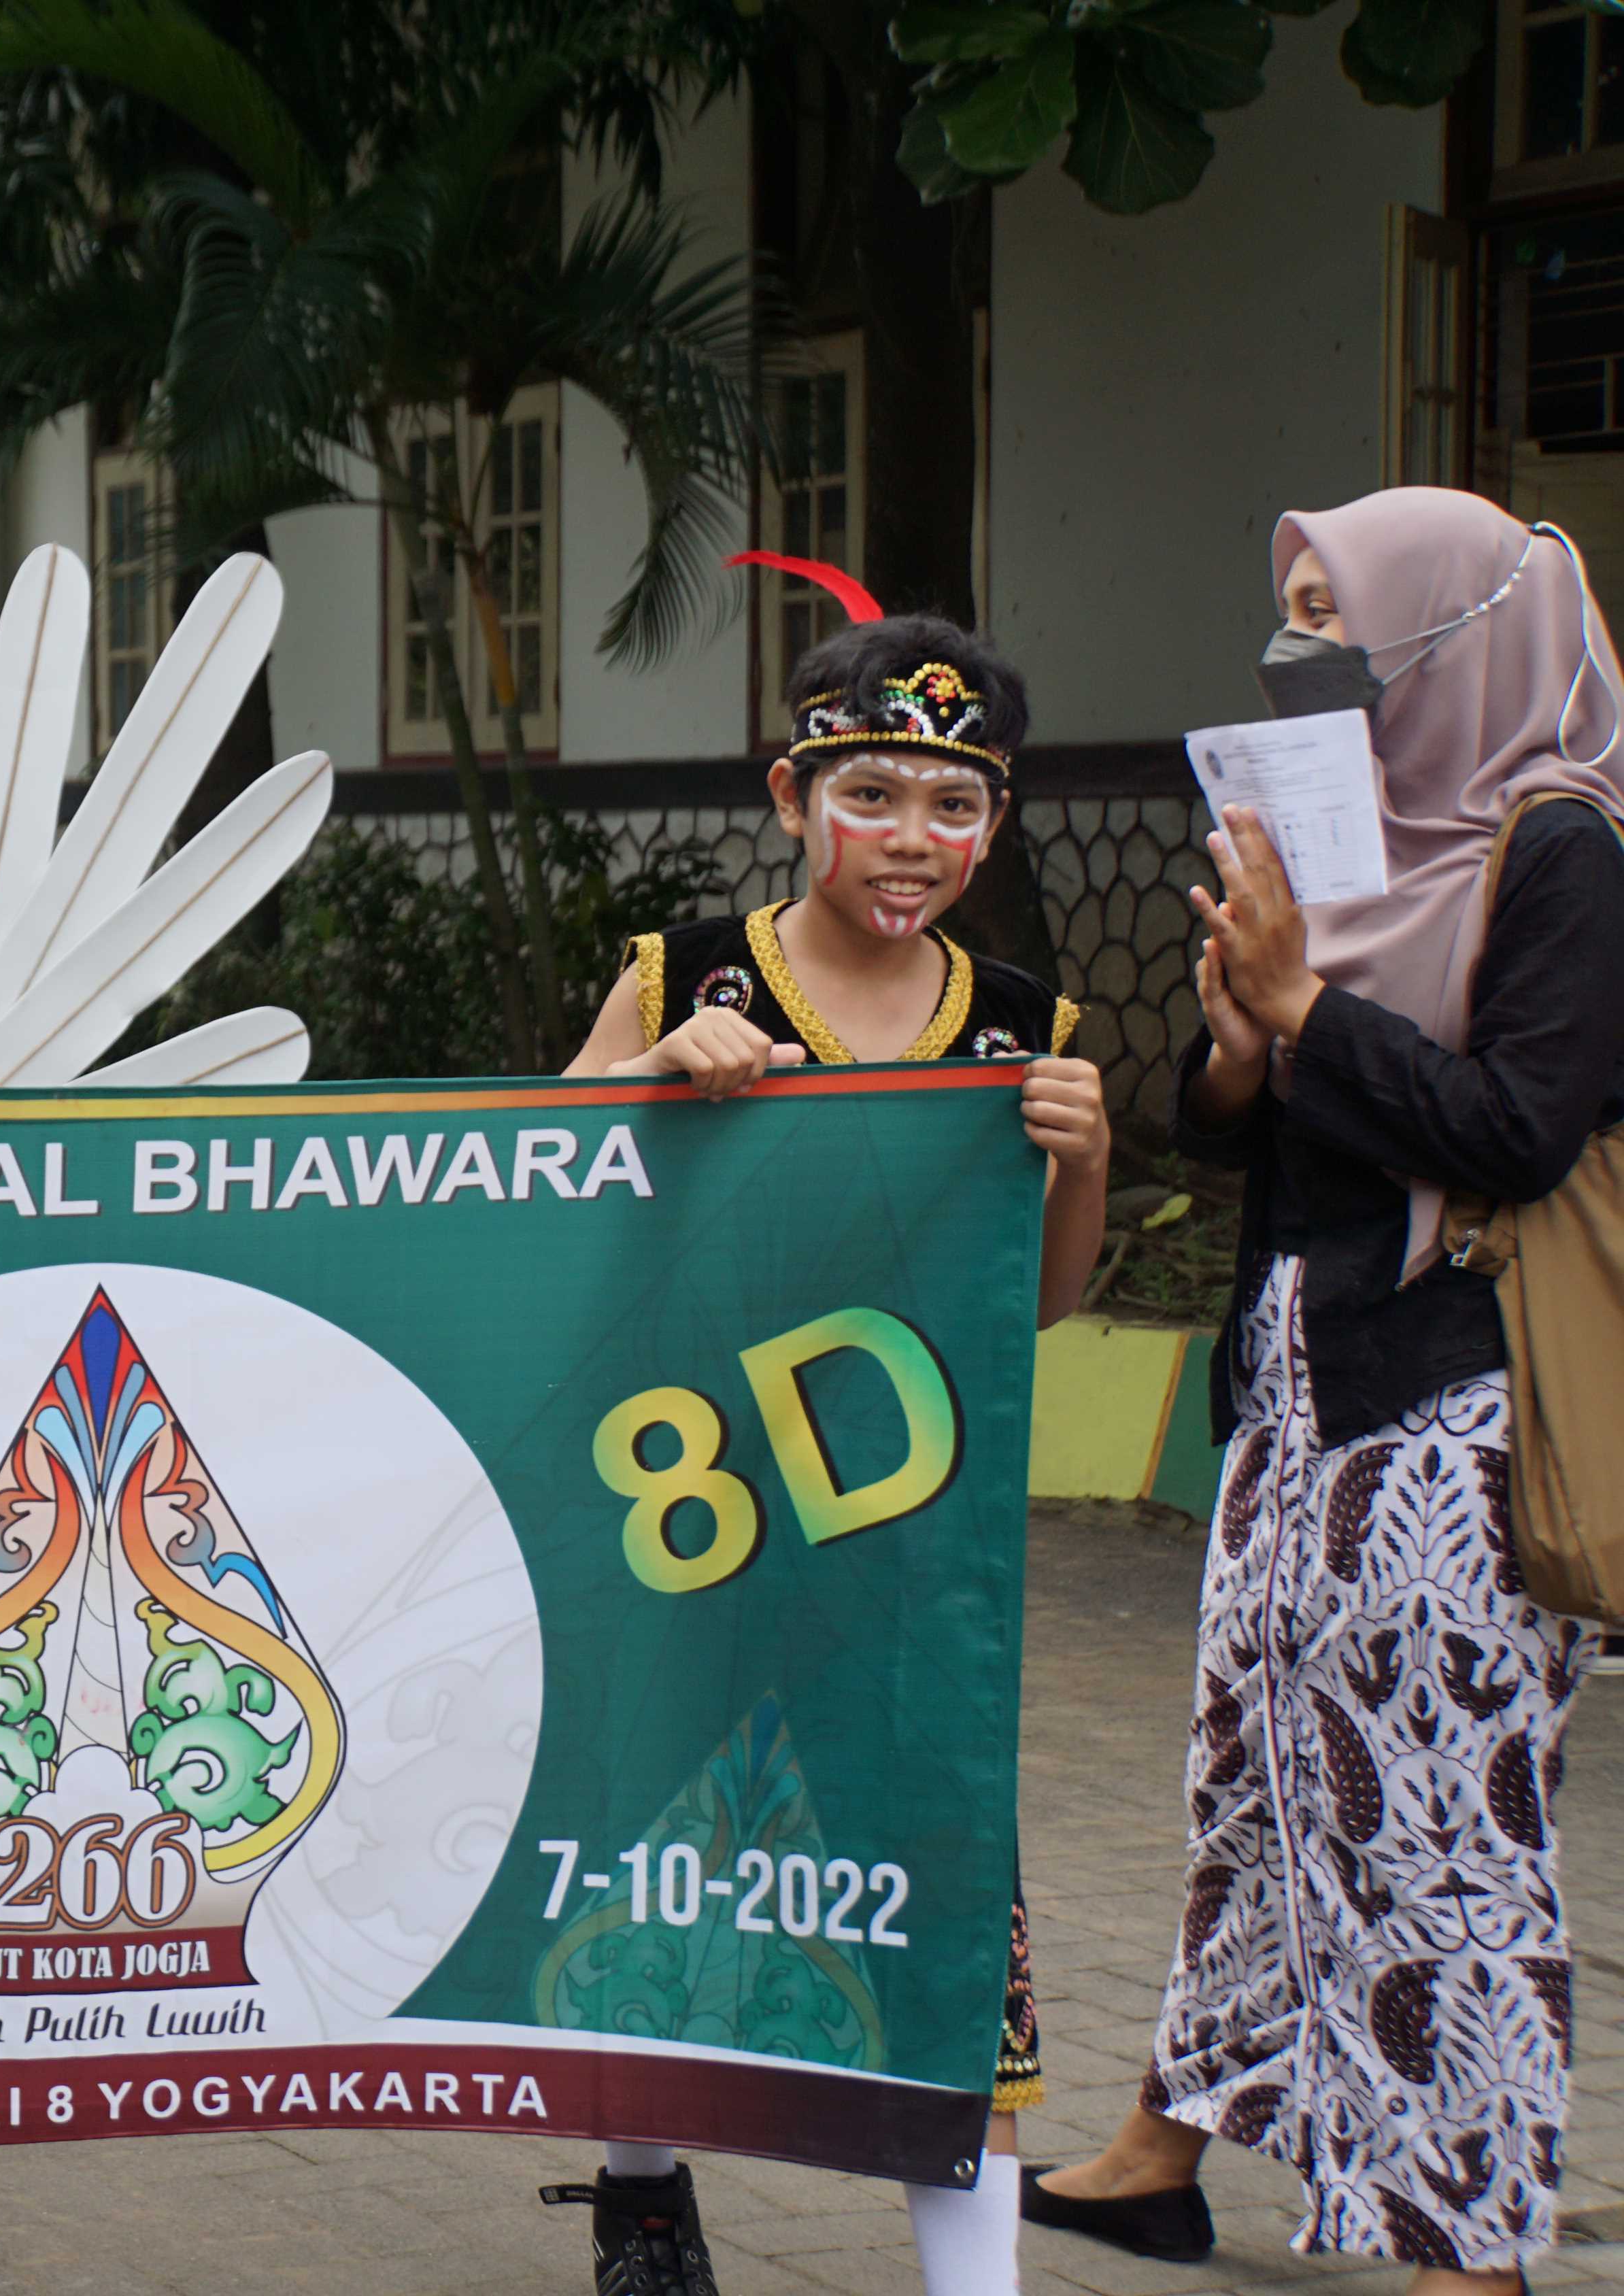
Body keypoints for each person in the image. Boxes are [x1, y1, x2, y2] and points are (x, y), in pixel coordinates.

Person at [1025, 490, 1624, 2296]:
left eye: (1343, 622)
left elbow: (1523, 1133)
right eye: (1295, 620)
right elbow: (1265, 1149)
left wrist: (1311, 1011)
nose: (1315, 658)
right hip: (1296, 1401)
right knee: (1257, 1783)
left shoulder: (1565, 855)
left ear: (1467, 633)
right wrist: (1237, 1045)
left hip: (1457, 1405)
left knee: (1434, 1823)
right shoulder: (1353, 845)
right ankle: (1166, 2148)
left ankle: (1467, 2247)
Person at [558, 609, 1114, 2296]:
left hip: (915, 1545)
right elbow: (531, 1201)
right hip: (695, 1507)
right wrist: (647, 1078)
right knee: (670, 1854)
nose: (914, 843)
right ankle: (641, 2183)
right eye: (874, 796)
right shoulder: (686, 973)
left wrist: (1079, 1157)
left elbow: (1048, 1301)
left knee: (946, 1906)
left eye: (957, 809)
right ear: (795, 794)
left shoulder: (1024, 1015)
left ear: (994, 826)